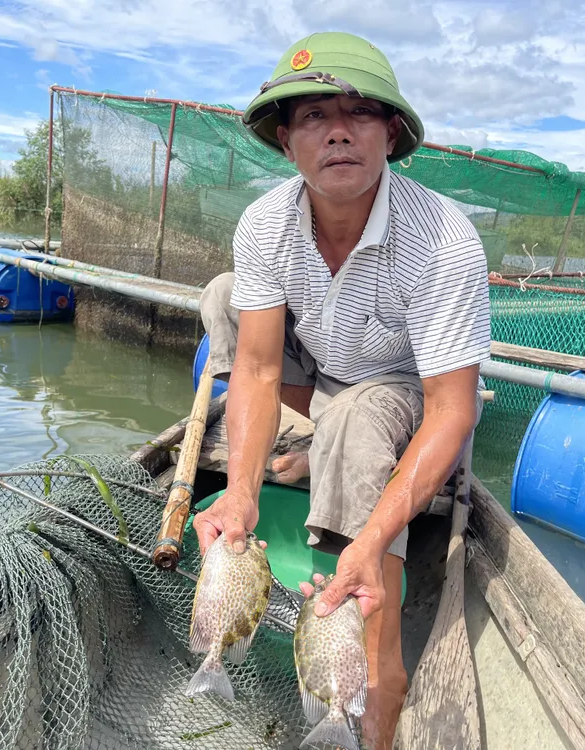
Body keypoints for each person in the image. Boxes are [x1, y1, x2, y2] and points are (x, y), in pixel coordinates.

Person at [192, 31, 490, 748]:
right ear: (286, 142)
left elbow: (451, 406)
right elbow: (261, 371)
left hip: (407, 394)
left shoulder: (443, 238)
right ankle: (302, 457)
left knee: (358, 419)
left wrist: (375, 538)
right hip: (314, 380)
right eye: (314, 117)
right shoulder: (266, 224)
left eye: (358, 113)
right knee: (227, 295)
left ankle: (380, 686)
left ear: (390, 134)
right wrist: (240, 494)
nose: (338, 132)